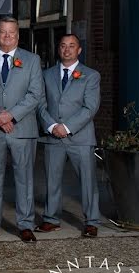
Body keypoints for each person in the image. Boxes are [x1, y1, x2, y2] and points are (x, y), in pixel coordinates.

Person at [0, 16, 45, 243]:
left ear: (18, 34)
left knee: (24, 178)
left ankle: (25, 224)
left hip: (22, 129)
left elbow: (35, 94)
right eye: (3, 32)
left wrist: (11, 115)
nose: (7, 36)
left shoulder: (32, 60)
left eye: (11, 32)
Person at [37, 34, 102, 237]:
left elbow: (90, 107)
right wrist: (51, 125)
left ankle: (91, 221)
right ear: (59, 49)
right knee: (51, 179)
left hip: (80, 138)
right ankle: (50, 219)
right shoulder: (46, 75)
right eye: (63, 46)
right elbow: (40, 104)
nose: (67, 49)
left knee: (87, 181)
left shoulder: (91, 75)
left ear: (79, 50)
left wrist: (67, 126)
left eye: (71, 46)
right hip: (53, 136)